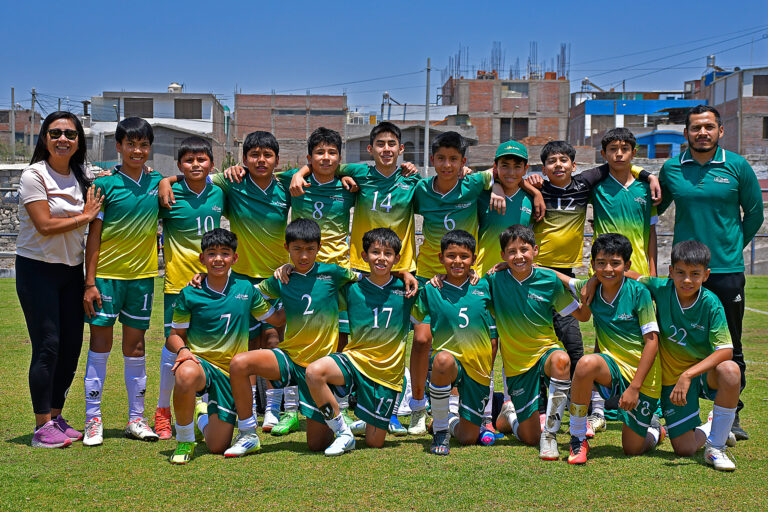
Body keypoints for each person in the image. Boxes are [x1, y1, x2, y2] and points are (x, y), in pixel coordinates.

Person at [160, 131, 291, 432]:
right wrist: (164, 181)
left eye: (267, 155)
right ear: (243, 159)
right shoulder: (230, 182)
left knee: (273, 339)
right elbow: (193, 175)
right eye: (254, 155)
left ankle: (272, 408)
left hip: (277, 276)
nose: (261, 160)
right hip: (241, 277)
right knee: (248, 344)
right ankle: (248, 405)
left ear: (277, 160)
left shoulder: (286, 185)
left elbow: (320, 168)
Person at [527, 140, 660, 432]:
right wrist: (531, 187)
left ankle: (586, 410)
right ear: (543, 167)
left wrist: (648, 175)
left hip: (563, 274)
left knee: (575, 345)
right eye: (551, 161)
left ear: (575, 166)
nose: (558, 165)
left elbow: (619, 163)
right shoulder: (534, 191)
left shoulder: (584, 184)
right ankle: (536, 408)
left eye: (564, 160)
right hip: (533, 273)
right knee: (534, 339)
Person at [659, 104, 764, 440]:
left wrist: (732, 247)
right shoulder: (672, 168)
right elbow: (652, 205)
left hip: (725, 269)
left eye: (708, 127)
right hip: (684, 273)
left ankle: (730, 416)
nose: (701, 133)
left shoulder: (737, 166)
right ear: (686, 133)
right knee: (676, 339)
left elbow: (755, 215)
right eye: (695, 128)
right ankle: (673, 406)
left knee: (730, 344)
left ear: (721, 131)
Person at [223, 218, 361, 456]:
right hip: (289, 358)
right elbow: (249, 292)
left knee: (316, 445)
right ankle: (248, 434)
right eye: (297, 249)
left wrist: (403, 275)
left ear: (319, 247)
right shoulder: (282, 279)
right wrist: (204, 281)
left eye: (309, 249)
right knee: (239, 363)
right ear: (287, 248)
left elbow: (368, 280)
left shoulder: (332, 273)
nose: (304, 256)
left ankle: (344, 425)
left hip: (320, 369)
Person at [16, 112, 102, 448]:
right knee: (48, 346)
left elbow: (100, 198)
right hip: (37, 269)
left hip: (71, 270)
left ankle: (56, 416)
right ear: (44, 138)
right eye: (55, 133)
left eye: (70, 133)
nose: (62, 139)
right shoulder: (34, 175)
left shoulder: (83, 176)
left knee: (70, 347)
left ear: (79, 140)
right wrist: (85, 216)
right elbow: (45, 225)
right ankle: (41, 428)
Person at [167, 228, 285, 464]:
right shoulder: (190, 293)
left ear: (234, 258)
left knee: (216, 446)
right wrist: (183, 350)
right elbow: (174, 336)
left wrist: (294, 289)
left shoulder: (245, 290)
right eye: (211, 254)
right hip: (201, 365)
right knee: (185, 373)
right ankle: (185, 440)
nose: (218, 259)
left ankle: (202, 416)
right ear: (202, 259)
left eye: (224, 253)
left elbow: (277, 319)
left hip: (232, 374)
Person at [82, 117, 164, 445]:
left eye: (143, 145)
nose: (137, 150)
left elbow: (178, 181)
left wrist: (168, 181)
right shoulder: (104, 185)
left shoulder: (158, 181)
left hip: (142, 279)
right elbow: (93, 237)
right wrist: (89, 283)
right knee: (100, 344)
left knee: (137, 347)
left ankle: (136, 419)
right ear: (118, 147)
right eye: (130, 144)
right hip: (106, 279)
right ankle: (93, 419)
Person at [304, 228, 418, 455]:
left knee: (375, 442)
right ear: (364, 256)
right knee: (314, 372)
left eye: (388, 253)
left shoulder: (408, 289)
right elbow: (316, 279)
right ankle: (343, 432)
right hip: (355, 360)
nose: (382, 258)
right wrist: (288, 269)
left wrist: (405, 274)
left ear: (396, 258)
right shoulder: (351, 288)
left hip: (386, 374)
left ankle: (369, 422)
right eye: (375, 252)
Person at [631, 241, 739, 471]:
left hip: (700, 375)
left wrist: (688, 374)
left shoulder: (711, 303)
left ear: (706, 275)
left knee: (731, 370)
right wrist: (593, 281)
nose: (687, 280)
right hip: (672, 380)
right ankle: (713, 425)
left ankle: (716, 447)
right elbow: (631, 276)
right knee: (685, 449)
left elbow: (726, 350)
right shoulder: (661, 288)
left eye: (694, 274)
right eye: (680, 273)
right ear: (670, 272)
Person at [488, 225, 589, 461]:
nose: (518, 256)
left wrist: (586, 290)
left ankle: (550, 436)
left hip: (545, 351)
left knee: (562, 360)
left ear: (535, 250)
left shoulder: (548, 280)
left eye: (524, 249)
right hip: (517, 365)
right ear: (502, 256)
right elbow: (469, 289)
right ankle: (509, 416)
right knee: (529, 436)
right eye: (511, 252)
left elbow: (583, 316)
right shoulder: (494, 280)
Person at [566, 234, 664, 464]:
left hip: (643, 376)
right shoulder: (592, 288)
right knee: (586, 364)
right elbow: (556, 277)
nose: (608, 269)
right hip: (612, 369)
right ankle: (578, 437)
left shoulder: (639, 292)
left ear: (627, 265)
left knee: (632, 448)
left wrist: (635, 388)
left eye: (615, 263)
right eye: (601, 263)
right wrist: (516, 265)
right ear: (592, 265)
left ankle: (657, 431)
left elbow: (652, 341)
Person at [153, 137, 223, 439]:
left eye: (201, 160)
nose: (196, 165)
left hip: (212, 287)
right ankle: (162, 411)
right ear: (179, 165)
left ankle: (206, 408)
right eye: (189, 161)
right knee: (173, 348)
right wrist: (166, 181)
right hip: (177, 286)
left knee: (209, 349)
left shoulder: (220, 191)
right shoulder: (169, 193)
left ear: (211, 163)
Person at [410, 230, 496, 455]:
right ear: (440, 258)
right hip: (450, 365)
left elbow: (507, 275)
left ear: (473, 260)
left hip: (478, 367)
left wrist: (501, 267)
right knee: (442, 360)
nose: (457, 261)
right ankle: (440, 430)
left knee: (468, 438)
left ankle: (445, 421)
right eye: (451, 256)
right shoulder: (431, 289)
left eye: (464, 256)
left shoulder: (485, 286)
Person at [475, 141, 534, 275]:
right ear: (495, 167)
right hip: (483, 273)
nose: (511, 172)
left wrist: (536, 193)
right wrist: (495, 183)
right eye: (505, 166)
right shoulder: (482, 194)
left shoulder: (531, 199)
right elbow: (466, 178)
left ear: (526, 169)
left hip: (515, 275)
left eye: (517, 166)